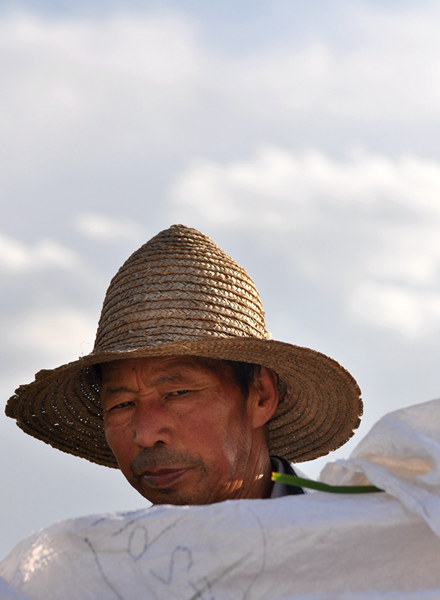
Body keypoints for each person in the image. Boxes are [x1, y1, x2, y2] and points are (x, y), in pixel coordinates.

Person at [6, 224, 362, 505]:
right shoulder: (97, 578)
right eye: (122, 404)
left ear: (261, 396)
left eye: (178, 392)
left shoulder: (362, 550)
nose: (145, 434)